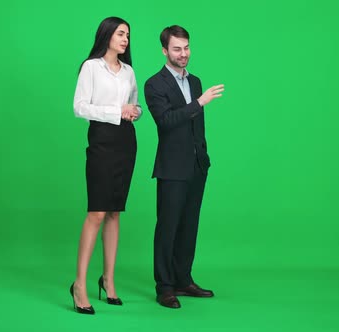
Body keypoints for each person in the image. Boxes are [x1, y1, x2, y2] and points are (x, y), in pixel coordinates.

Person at [144, 25, 224, 309]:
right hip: (171, 167)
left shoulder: (196, 81)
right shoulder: (154, 84)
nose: (184, 54)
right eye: (177, 49)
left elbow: (196, 127)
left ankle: (183, 279)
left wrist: (203, 156)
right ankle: (165, 286)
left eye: (186, 47)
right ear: (165, 50)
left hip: (197, 165)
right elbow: (165, 122)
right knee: (168, 227)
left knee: (189, 226)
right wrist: (199, 103)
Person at [70, 16, 141, 315]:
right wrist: (117, 110)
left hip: (126, 141)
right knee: (97, 212)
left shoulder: (128, 71)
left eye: (128, 35)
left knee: (114, 212)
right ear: (107, 35)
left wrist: (134, 111)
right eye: (121, 33)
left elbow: (135, 104)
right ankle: (80, 285)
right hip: (101, 140)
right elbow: (79, 106)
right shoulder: (91, 67)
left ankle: (108, 280)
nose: (125, 39)